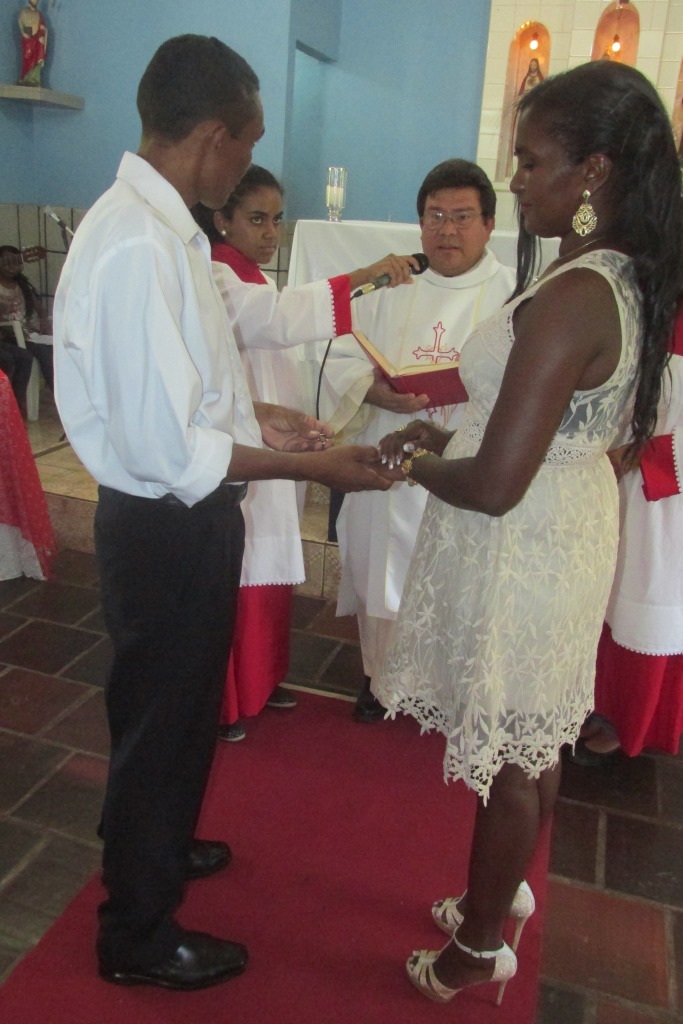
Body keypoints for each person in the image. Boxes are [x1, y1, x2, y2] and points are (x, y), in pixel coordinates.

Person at [52, 34, 404, 993]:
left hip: (185, 513)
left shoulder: (167, 233)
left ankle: (153, 844)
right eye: (245, 147)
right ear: (210, 137)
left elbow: (204, 371)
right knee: (161, 720)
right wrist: (325, 461)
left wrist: (268, 418)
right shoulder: (133, 245)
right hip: (165, 522)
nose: (247, 165)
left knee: (174, 713)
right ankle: (136, 929)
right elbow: (173, 447)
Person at [373, 60, 683, 1005]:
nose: (513, 178)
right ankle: (499, 896)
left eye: (529, 159)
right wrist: (445, 430)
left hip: (524, 536)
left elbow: (498, 481)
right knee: (533, 735)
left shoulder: (577, 291)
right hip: (564, 520)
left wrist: (402, 461)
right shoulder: (611, 271)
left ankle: (473, 950)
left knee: (513, 754)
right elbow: (538, 416)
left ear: (591, 170)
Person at [192, 168, 412, 742]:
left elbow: (288, 348)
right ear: (222, 220)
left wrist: (308, 420)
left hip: (274, 443)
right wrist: (364, 279)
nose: (271, 232)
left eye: (277, 218)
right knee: (240, 564)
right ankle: (227, 695)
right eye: (257, 219)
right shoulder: (213, 274)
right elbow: (276, 322)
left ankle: (261, 680)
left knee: (270, 556)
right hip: (241, 445)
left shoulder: (254, 276)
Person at [318, 159, 515, 722]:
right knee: (383, 557)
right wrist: (374, 394)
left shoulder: (514, 293)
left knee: (462, 571)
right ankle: (380, 677)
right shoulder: (390, 283)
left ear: (488, 223)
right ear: (420, 221)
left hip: (469, 451)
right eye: (435, 216)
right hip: (392, 444)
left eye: (462, 217)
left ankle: (452, 685)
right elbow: (342, 356)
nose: (447, 230)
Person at [569, 303, 683, 765]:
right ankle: (597, 701)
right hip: (616, 476)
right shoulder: (654, 298)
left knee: (646, 598)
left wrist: (642, 454)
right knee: (605, 595)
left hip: (666, 498)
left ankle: (632, 721)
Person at [0, 245, 54, 392]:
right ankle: (18, 402)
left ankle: (59, 394)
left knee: (52, 350)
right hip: (8, 335)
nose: (11, 267)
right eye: (7, 262)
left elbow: (40, 309)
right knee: (37, 352)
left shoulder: (22, 286)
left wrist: (43, 323)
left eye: (16, 262)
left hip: (26, 333)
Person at [18, 0, 47, 87]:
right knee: (27, 57)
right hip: (28, 40)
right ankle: (25, 78)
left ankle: (34, 78)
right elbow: (20, 23)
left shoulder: (39, 14)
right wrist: (23, 33)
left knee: (37, 56)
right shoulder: (24, 12)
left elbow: (43, 27)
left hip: (37, 40)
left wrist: (43, 29)